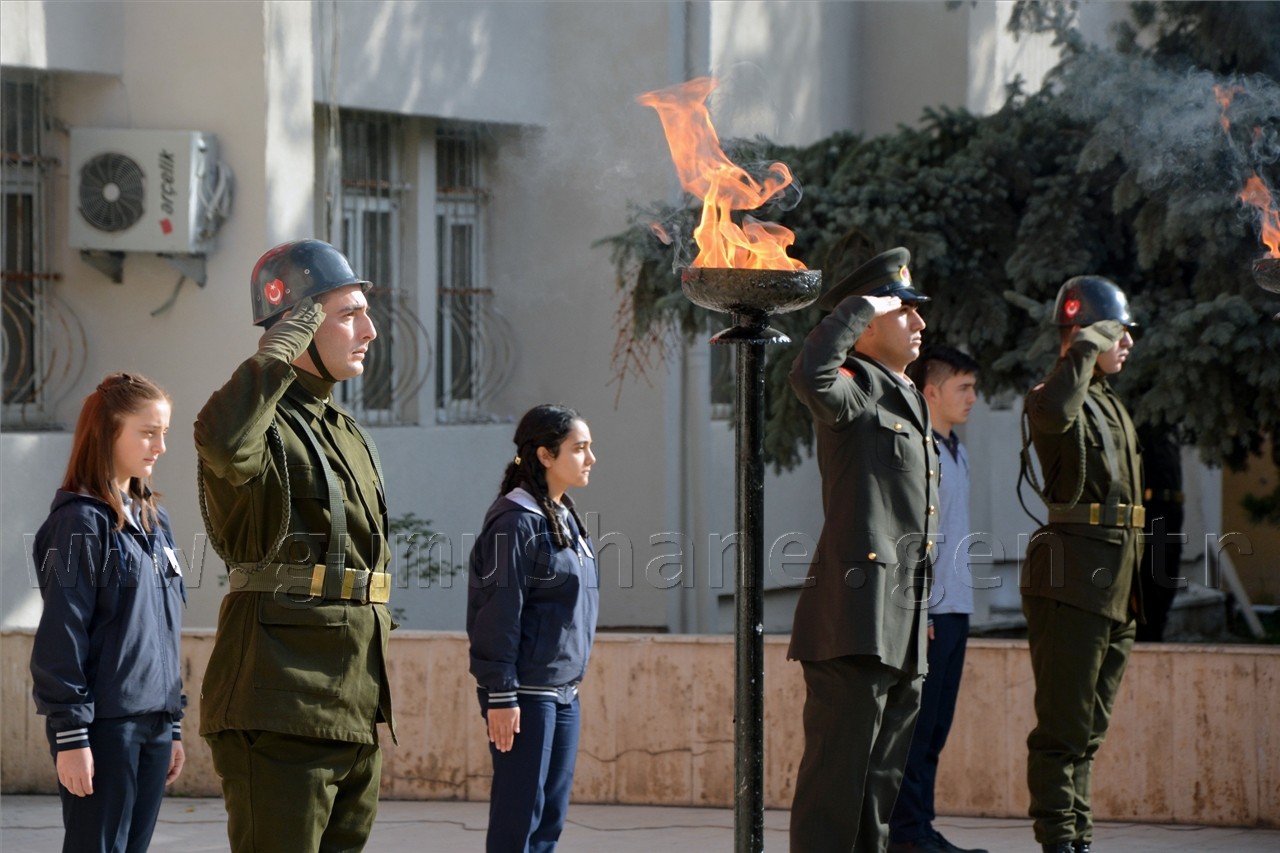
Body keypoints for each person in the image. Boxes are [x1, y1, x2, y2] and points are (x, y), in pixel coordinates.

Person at [196, 239, 395, 852]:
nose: (370, 329)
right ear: (299, 325)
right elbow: (226, 444)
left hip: (351, 705)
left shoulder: (341, 427)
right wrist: (277, 349)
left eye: (365, 311)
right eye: (347, 314)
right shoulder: (254, 419)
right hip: (280, 705)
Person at [788, 246, 939, 853]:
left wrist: (920, 612)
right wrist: (857, 308)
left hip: (901, 619)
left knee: (878, 790)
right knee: (837, 789)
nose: (921, 323)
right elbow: (809, 376)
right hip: (853, 620)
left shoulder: (907, 396)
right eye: (905, 310)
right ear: (870, 321)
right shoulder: (853, 384)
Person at [30, 372, 186, 853]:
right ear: (107, 433)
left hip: (154, 723)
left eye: (164, 433)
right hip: (103, 727)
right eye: (147, 432)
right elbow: (63, 635)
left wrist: (173, 724)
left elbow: (164, 628)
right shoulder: (78, 522)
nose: (160, 446)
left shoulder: (154, 520)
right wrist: (72, 736)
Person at [1020, 275, 1144, 853]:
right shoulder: (1053, 393)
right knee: (1063, 731)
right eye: (1120, 331)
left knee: (1089, 730)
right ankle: (1059, 840)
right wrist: (1085, 346)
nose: (1129, 344)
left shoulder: (1111, 404)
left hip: (1117, 583)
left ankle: (1079, 838)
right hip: (1073, 582)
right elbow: (1053, 418)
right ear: (1087, 332)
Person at [467, 404, 600, 853]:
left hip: (563, 693)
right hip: (525, 694)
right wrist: (501, 695)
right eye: (579, 448)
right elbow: (497, 613)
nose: (590, 458)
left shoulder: (562, 516)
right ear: (545, 455)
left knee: (548, 823)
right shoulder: (515, 522)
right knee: (519, 819)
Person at [890, 346, 988, 853]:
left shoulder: (957, 450)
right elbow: (909, 534)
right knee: (916, 730)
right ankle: (906, 835)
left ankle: (921, 829)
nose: (972, 397)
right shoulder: (919, 451)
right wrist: (919, 607)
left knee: (937, 730)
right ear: (931, 391)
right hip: (929, 613)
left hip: (957, 609)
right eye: (963, 388)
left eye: (973, 387)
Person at [1135, 423, 1185, 642]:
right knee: (1152, 578)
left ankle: (1156, 631)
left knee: (1168, 574)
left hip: (1172, 512)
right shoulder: (1142, 431)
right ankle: (1147, 634)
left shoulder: (1171, 434)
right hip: (1151, 511)